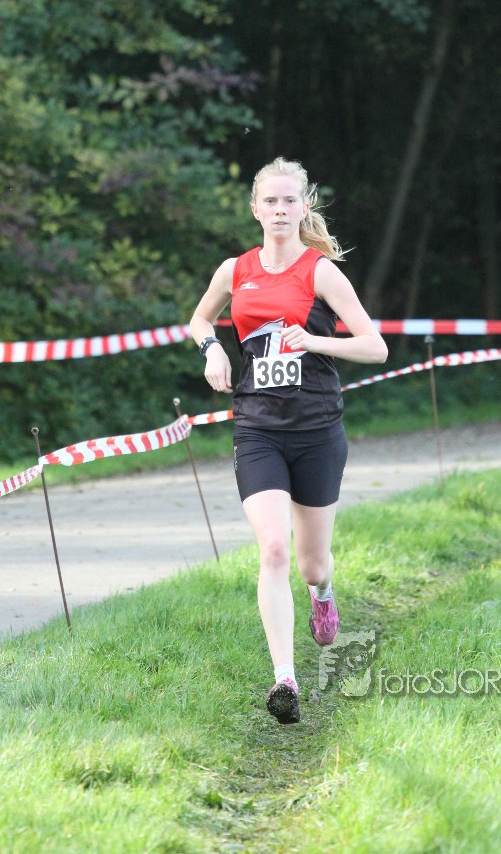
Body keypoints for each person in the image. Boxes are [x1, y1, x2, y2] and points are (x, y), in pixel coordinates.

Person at [189, 157, 387, 724]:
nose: (279, 210)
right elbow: (199, 320)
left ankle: (323, 595)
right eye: (270, 202)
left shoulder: (320, 272)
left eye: (289, 201)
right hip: (257, 428)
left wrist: (316, 342)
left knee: (311, 565)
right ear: (255, 209)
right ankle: (285, 679)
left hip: (317, 431)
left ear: (304, 208)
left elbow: (375, 347)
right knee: (273, 547)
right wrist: (212, 348)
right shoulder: (235, 270)